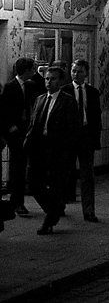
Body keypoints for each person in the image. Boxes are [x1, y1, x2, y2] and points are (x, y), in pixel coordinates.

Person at [24, 66, 81, 235]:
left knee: (55, 186)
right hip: (39, 148)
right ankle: (54, 209)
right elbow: (34, 124)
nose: (49, 82)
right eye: (47, 79)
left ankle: (48, 222)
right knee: (33, 182)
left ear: (61, 81)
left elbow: (73, 129)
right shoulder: (40, 99)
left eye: (53, 79)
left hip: (58, 149)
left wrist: (68, 152)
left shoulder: (68, 101)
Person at [1, 58, 46, 217]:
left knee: (31, 167)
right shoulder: (10, 87)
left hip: (30, 131)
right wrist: (10, 126)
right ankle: (17, 202)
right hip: (16, 133)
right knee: (17, 169)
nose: (34, 72)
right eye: (32, 69)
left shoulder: (32, 86)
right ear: (26, 70)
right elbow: (4, 110)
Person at [63, 59, 102, 222]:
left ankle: (88, 210)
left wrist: (95, 138)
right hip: (69, 137)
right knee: (64, 173)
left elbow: (96, 116)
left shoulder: (92, 92)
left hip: (86, 136)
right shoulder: (65, 91)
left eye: (79, 71)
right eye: (73, 71)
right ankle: (60, 206)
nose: (76, 74)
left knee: (87, 175)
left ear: (86, 73)